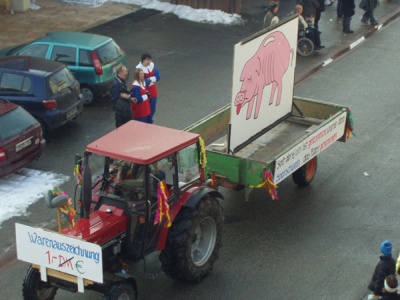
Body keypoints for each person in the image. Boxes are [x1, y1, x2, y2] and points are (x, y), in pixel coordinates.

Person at [136, 53, 160, 124]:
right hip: (144, 92)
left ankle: (149, 122)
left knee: (152, 109)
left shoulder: (152, 66)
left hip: (153, 91)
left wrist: (149, 79)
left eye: (150, 60)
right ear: (143, 61)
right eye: (147, 60)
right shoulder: (138, 69)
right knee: (145, 110)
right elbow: (142, 82)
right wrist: (152, 79)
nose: (149, 61)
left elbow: (158, 76)